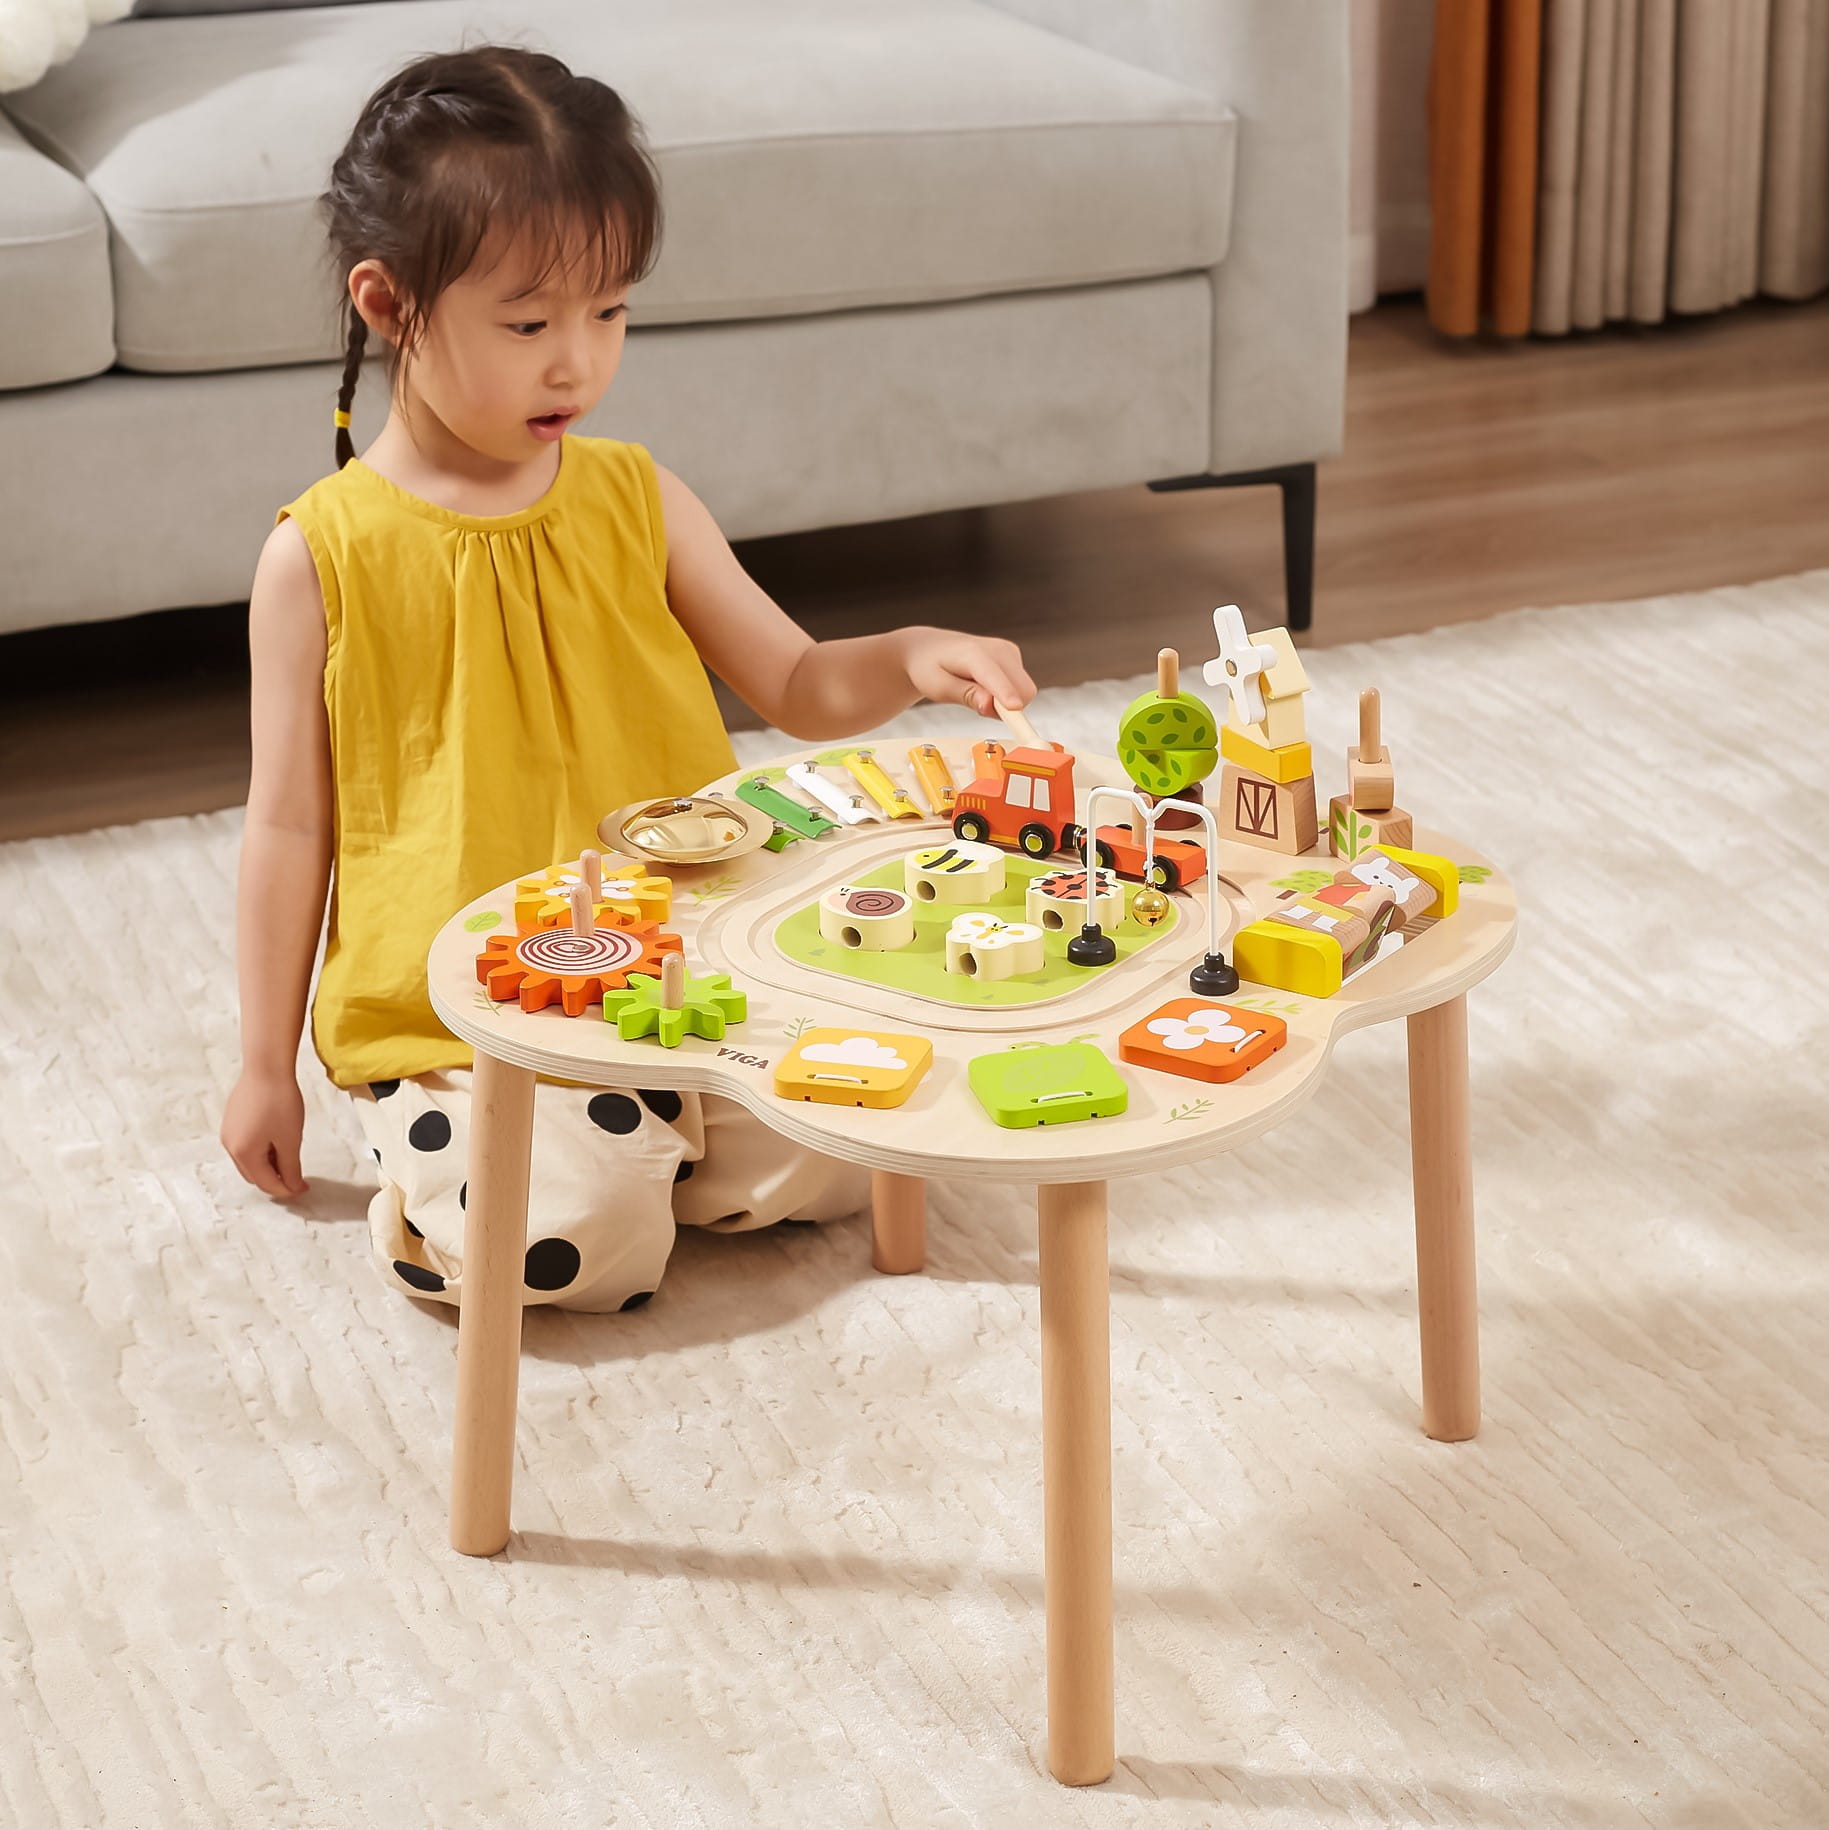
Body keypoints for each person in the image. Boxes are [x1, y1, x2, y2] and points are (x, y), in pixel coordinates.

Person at [219, 45, 1036, 1313]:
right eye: (529, 324)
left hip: (681, 975)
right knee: (566, 1237)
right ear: (388, 305)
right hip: (464, 1018)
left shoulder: (636, 495)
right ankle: (498, 1168)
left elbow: (797, 682)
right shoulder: (318, 557)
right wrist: (263, 1066)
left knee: (875, 1133)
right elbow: (288, 826)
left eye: (609, 314)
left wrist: (907, 656)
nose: (578, 364)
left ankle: (651, 1145)